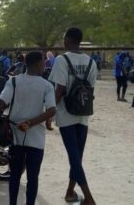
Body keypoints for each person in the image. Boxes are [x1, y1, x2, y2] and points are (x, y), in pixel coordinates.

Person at [0, 51, 56, 205]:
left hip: (15, 137)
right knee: (33, 178)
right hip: (36, 139)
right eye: (44, 63)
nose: (44, 66)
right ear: (38, 64)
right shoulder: (46, 85)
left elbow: (1, 103)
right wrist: (31, 123)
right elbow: (52, 110)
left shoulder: (14, 81)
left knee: (15, 175)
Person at [48, 27, 97, 205]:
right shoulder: (91, 62)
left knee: (74, 157)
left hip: (66, 114)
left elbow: (59, 90)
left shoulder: (61, 60)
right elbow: (90, 89)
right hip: (83, 114)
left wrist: (49, 114)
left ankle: (89, 198)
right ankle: (70, 191)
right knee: (77, 157)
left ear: (68, 39)